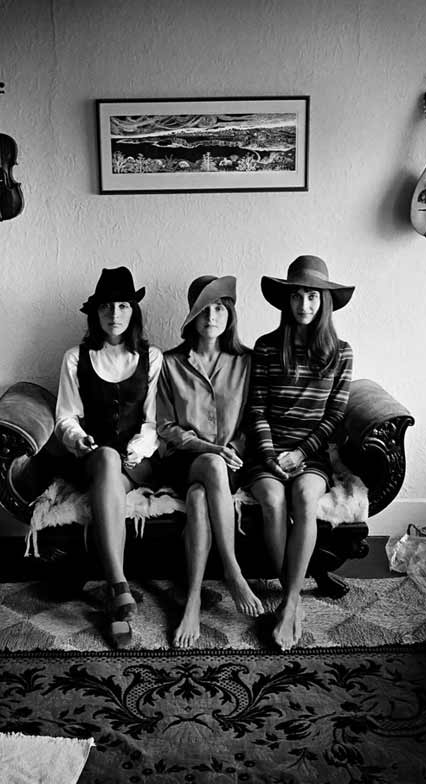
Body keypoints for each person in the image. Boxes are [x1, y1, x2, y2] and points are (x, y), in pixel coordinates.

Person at [245, 255, 354, 651]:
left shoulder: (341, 352)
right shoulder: (268, 347)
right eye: (297, 297)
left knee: (305, 498)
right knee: (273, 500)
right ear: (286, 301)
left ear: (324, 301)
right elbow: (256, 407)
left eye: (312, 296)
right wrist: (272, 453)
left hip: (310, 454)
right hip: (267, 450)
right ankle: (289, 590)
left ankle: (290, 602)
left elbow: (335, 415)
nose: (304, 305)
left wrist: (301, 453)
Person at [55, 266, 162, 648]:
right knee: (104, 459)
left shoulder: (152, 358)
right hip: (91, 457)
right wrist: (79, 438)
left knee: (113, 463)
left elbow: (153, 421)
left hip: (137, 461)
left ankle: (114, 591)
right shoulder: (75, 357)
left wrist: (137, 449)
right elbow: (66, 415)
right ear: (94, 313)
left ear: (133, 310)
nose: (114, 314)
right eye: (105, 307)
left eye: (122, 305)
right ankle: (119, 587)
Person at [156, 274, 264, 649]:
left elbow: (254, 418)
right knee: (211, 467)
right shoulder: (169, 364)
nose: (212, 316)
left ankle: (194, 599)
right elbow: (165, 426)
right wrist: (210, 448)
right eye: (204, 309)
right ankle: (233, 571)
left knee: (201, 498)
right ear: (191, 315)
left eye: (220, 308)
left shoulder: (246, 362)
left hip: (229, 465)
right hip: (183, 461)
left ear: (230, 314)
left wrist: (234, 449)